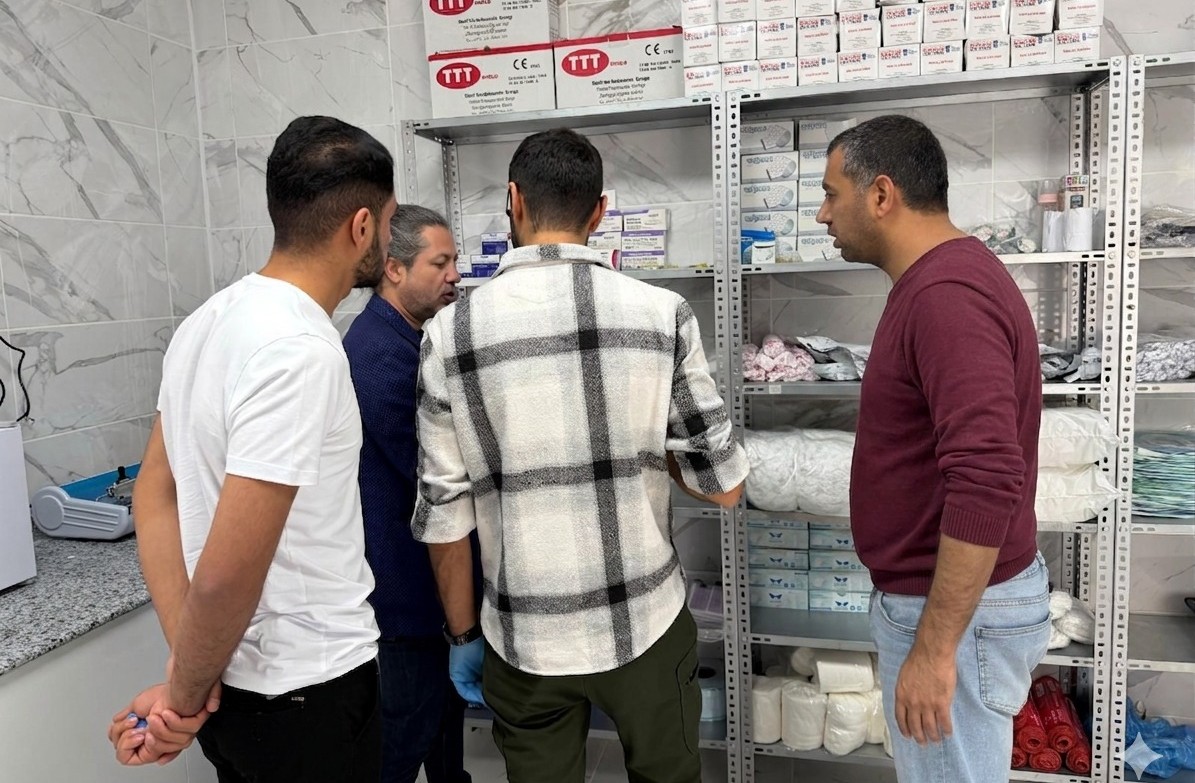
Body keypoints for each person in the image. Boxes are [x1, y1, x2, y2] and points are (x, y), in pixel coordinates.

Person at [409, 128, 749, 783]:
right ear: (599, 211)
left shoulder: (449, 334)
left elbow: (444, 512)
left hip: (522, 635)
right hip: (645, 622)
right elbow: (724, 486)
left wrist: (463, 635)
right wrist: (642, 446)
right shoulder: (662, 314)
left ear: (512, 200)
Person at [108, 115, 396, 781]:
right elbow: (226, 573)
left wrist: (188, 672)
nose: (388, 238)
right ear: (361, 226)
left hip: (235, 694)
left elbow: (155, 494)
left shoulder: (206, 322)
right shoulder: (301, 350)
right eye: (388, 222)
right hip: (306, 695)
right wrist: (184, 693)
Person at [818, 114, 1051, 783]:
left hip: (952, 615)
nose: (822, 214)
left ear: (881, 195)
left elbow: (987, 475)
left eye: (832, 194)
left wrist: (935, 647)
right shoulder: (939, 281)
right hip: (948, 606)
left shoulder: (945, 295)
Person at [342, 205, 476, 783]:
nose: (455, 275)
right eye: (439, 263)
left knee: (445, 742)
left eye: (455, 261)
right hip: (404, 605)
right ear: (393, 269)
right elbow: (431, 473)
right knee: (399, 748)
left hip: (434, 594)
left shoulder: (413, 339)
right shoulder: (377, 353)